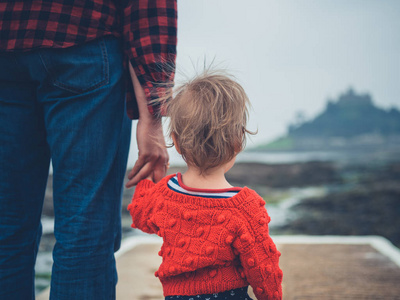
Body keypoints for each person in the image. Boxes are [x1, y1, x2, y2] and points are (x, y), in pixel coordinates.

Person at [0, 1, 177, 299]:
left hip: (7, 47)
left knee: (6, 230)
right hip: (84, 42)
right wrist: (152, 115)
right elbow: (148, 9)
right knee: (85, 229)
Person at [128, 71, 283, 300]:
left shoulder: (164, 193)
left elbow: (141, 214)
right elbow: (263, 270)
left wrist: (147, 178)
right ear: (237, 142)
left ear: (177, 143)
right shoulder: (244, 207)